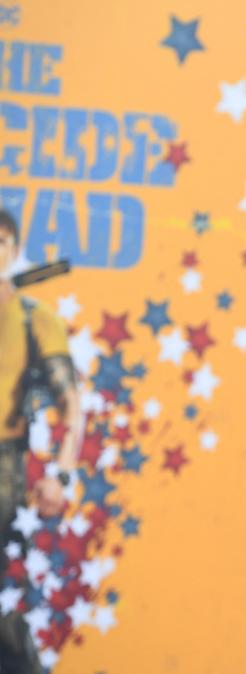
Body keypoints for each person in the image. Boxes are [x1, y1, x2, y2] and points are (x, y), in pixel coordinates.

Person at [0, 209, 82, 674]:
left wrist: (62, 474)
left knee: (4, 613)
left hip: (5, 472)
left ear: (12, 250)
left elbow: (70, 406)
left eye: (2, 241)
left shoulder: (35, 320)